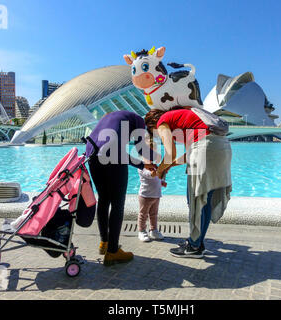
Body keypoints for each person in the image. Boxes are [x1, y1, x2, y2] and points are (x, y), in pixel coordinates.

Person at [145, 107, 232, 258]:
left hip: (205, 150)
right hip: (222, 147)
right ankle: (197, 242)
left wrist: (159, 171)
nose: (158, 135)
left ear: (153, 124)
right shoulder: (184, 118)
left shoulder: (162, 121)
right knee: (205, 200)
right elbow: (187, 155)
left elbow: (170, 153)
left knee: (195, 199)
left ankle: (193, 247)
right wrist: (170, 165)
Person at [86, 111, 157, 266]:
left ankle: (104, 243)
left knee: (104, 199)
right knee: (117, 204)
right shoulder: (138, 120)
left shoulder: (115, 115)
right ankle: (112, 252)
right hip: (111, 155)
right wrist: (158, 159)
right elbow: (141, 150)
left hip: (91, 153)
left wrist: (142, 163)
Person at [137, 138, 166, 242]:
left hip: (156, 195)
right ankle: (142, 231)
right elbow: (150, 175)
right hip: (145, 196)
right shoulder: (141, 166)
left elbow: (157, 176)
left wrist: (162, 180)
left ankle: (153, 230)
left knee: (154, 214)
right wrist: (159, 170)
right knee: (143, 214)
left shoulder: (154, 165)